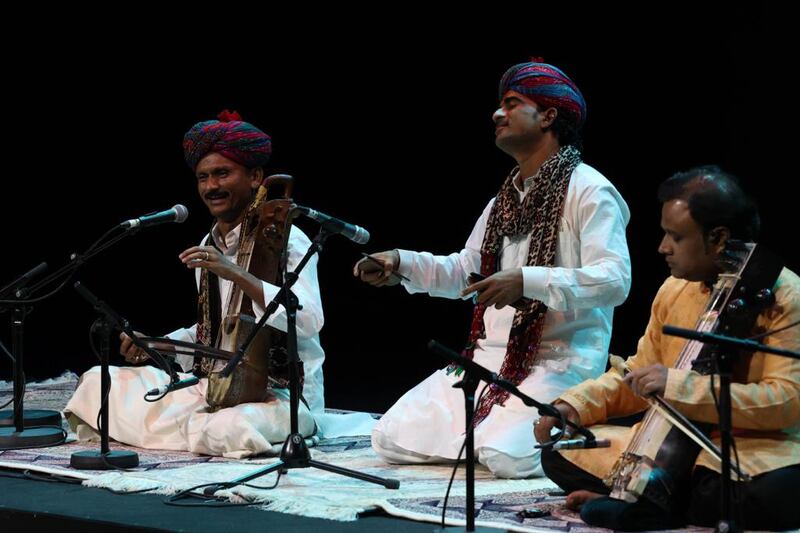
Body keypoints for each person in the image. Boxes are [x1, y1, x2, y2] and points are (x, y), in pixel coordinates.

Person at [354, 60, 632, 478]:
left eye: (511, 103)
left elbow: (615, 280)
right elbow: (468, 271)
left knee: (506, 456)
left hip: (558, 362)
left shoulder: (590, 190)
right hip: (486, 361)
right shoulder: (504, 199)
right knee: (389, 438)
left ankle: (582, 417)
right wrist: (401, 263)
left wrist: (526, 281)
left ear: (548, 116)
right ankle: (496, 432)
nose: (496, 113)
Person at [535, 166, 800, 531]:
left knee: (763, 492)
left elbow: (788, 400)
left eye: (675, 236)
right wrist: (573, 406)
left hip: (746, 451)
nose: (662, 247)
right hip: (665, 450)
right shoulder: (674, 290)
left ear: (718, 237)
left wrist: (677, 387)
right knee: (560, 453)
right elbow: (637, 373)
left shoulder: (787, 296)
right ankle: (653, 499)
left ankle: (647, 501)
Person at [65, 111, 325, 458]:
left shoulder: (288, 241)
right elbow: (216, 334)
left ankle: (187, 430)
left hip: (281, 396)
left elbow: (308, 320)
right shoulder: (209, 243)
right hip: (219, 387)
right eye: (203, 177)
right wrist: (161, 344)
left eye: (222, 173)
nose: (211, 187)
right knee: (99, 383)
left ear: (255, 177)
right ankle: (190, 428)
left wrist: (236, 274)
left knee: (229, 428)